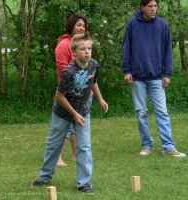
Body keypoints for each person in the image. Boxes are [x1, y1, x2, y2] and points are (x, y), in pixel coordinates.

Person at [32, 32, 108, 194]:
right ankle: (44, 176)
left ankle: (84, 183)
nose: (87, 52)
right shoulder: (69, 72)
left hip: (83, 111)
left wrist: (100, 99)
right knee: (54, 144)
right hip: (62, 112)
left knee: (85, 146)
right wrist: (73, 113)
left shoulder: (94, 65)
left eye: (89, 48)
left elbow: (93, 82)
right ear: (74, 52)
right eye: (83, 49)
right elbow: (59, 96)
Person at [121, 0, 186, 157]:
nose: (153, 9)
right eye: (150, 6)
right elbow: (126, 48)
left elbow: (167, 51)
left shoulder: (163, 25)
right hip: (137, 77)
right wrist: (127, 70)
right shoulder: (132, 24)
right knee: (141, 113)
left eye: (155, 6)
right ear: (142, 7)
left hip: (157, 77)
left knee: (162, 112)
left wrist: (167, 73)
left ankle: (168, 147)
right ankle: (146, 145)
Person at [55, 14, 89, 167]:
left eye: (83, 25)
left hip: (81, 92)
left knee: (77, 123)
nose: (82, 28)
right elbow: (63, 70)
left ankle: (75, 155)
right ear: (71, 27)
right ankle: (58, 158)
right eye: (78, 25)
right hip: (68, 93)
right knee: (66, 128)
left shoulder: (82, 44)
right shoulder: (64, 45)